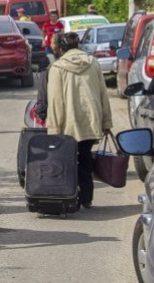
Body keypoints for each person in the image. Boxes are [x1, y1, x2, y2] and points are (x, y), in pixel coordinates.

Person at [46, 32, 112, 210]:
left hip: (68, 124)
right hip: (91, 120)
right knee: (85, 158)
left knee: (66, 161)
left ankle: (69, 196)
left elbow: (55, 102)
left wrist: (54, 129)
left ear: (61, 49)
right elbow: (103, 94)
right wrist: (106, 122)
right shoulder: (93, 63)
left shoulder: (57, 68)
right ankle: (86, 197)